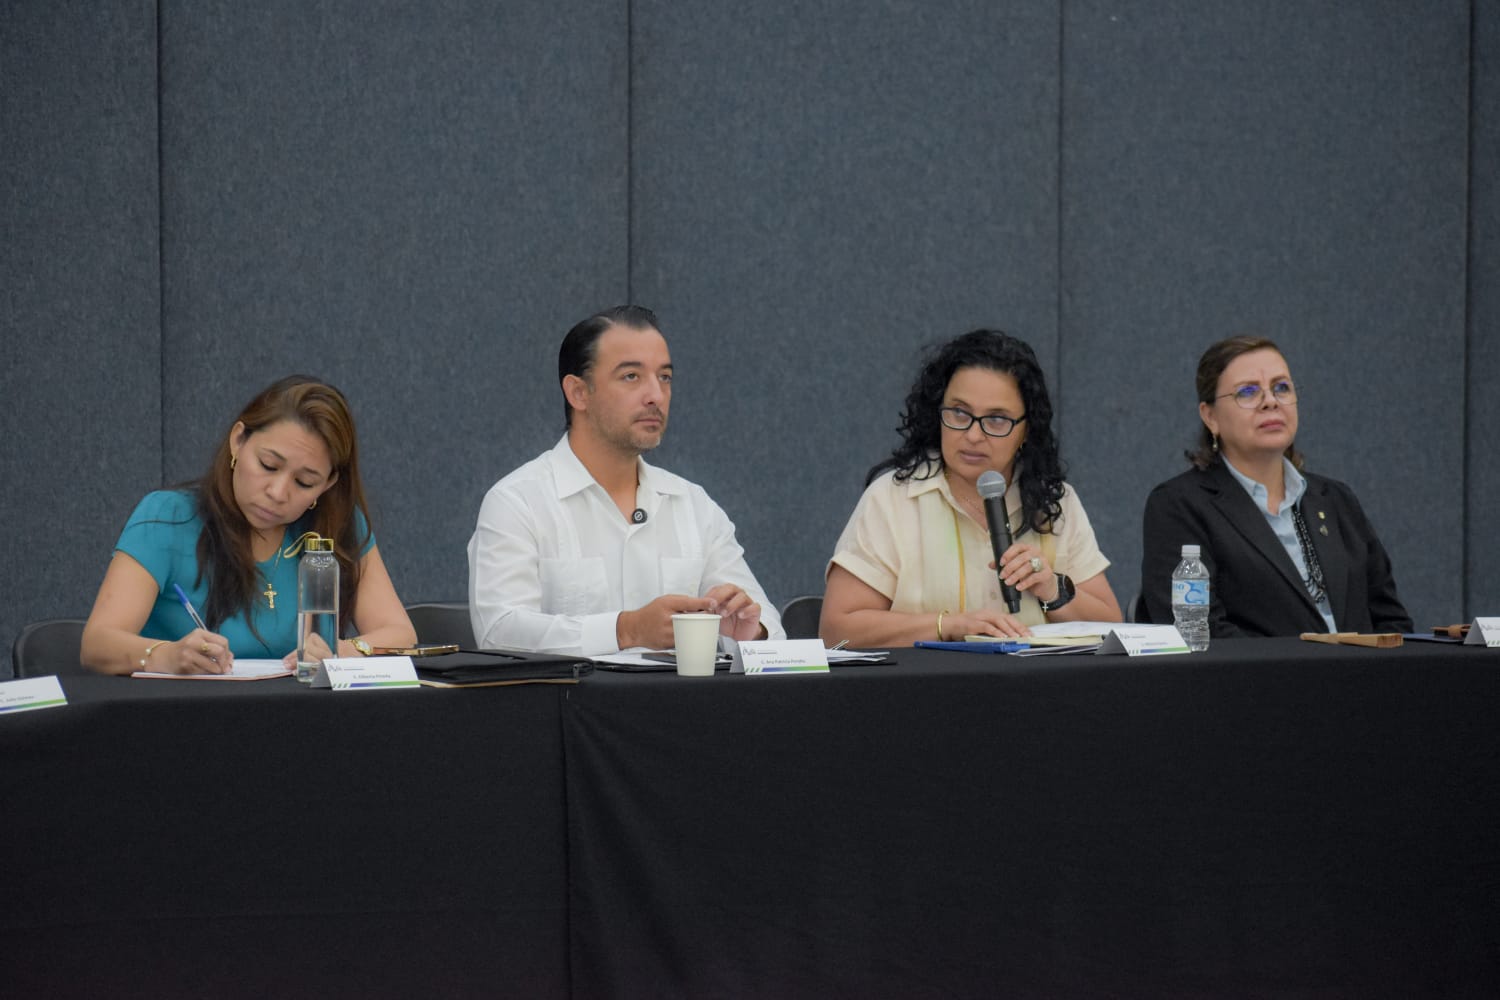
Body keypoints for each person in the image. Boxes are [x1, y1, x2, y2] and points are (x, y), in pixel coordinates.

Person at [467, 305, 783, 655]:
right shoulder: (518, 502)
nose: (656, 395)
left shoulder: (693, 505)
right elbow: (499, 632)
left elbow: (769, 625)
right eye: (631, 376)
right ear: (578, 392)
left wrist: (750, 633)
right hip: (570, 694)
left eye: (665, 377)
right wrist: (626, 630)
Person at [81, 376, 416, 674]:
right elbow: (97, 644)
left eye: (304, 482)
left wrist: (346, 650)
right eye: (268, 465)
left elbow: (401, 634)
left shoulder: (338, 525)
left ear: (327, 485)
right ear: (238, 441)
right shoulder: (168, 515)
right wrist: (164, 655)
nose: (278, 493)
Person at [821, 329, 1121, 646]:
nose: (973, 435)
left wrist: (1052, 590)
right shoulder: (892, 500)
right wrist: (949, 626)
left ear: (1026, 430)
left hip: (1032, 678)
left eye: (997, 419)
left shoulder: (1054, 502)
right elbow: (837, 629)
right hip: (927, 677)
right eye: (960, 413)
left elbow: (1113, 628)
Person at [1139, 335, 1411, 636]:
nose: (1270, 401)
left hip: (1364, 667)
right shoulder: (1180, 506)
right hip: (1256, 669)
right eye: (1247, 392)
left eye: (1281, 388)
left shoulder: (1336, 500)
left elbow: (1392, 622)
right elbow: (1199, 633)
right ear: (1210, 416)